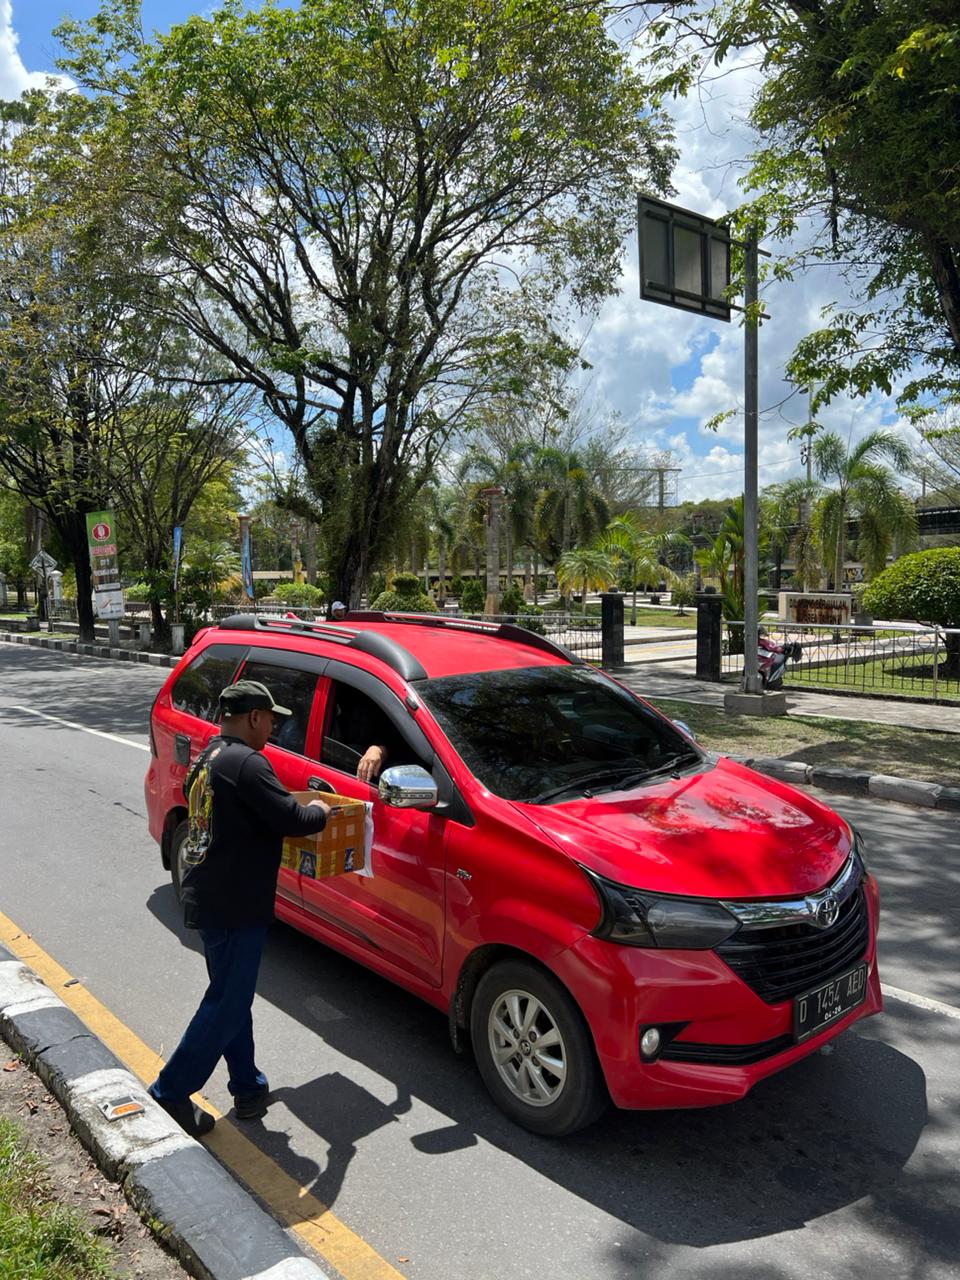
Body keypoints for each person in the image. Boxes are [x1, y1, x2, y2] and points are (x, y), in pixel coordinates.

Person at [148, 679, 331, 1138]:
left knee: (232, 997)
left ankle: (248, 1086)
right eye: (270, 720)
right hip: (233, 904)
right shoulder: (248, 762)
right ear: (253, 717)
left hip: (211, 896)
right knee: (228, 1003)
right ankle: (170, 1092)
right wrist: (324, 811)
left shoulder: (209, 757)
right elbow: (292, 818)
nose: (273, 728)